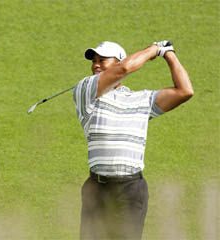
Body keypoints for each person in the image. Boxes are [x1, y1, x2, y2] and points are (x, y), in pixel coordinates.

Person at [73, 41, 193, 240]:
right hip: (97, 189)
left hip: (130, 190)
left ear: (119, 60)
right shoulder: (86, 91)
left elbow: (185, 91)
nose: (96, 64)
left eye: (102, 60)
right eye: (94, 61)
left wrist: (169, 54)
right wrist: (154, 49)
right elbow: (125, 68)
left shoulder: (141, 100)